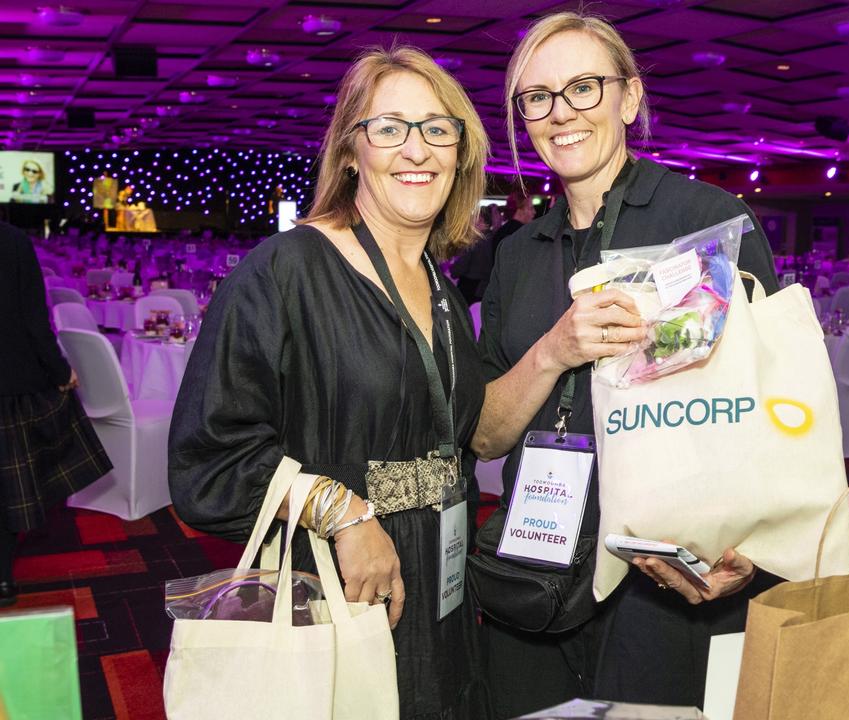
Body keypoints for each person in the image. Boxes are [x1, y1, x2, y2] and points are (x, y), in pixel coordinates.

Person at [471, 12, 779, 716]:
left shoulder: (706, 222)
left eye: (584, 87)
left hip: (667, 578)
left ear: (630, 100)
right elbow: (485, 436)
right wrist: (553, 351)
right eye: (538, 97)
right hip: (536, 561)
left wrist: (751, 554)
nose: (561, 113)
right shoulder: (516, 255)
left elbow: (778, 411)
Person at [168, 45, 490, 719]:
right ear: (350, 153)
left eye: (438, 128)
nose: (416, 148)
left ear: (459, 152)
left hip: (442, 577)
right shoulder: (284, 271)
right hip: (340, 582)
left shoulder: (443, 290)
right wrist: (345, 513)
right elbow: (209, 456)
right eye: (389, 127)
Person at [0, 221, 112, 607]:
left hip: (11, 382)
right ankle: (2, 578)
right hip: (12, 384)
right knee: (9, 488)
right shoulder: (12, 240)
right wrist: (61, 371)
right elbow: (33, 320)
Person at [455, 190, 534, 305]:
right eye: (531, 208)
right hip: (495, 292)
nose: (534, 212)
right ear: (520, 209)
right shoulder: (520, 234)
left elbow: (458, 269)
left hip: (477, 289)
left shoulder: (498, 234)